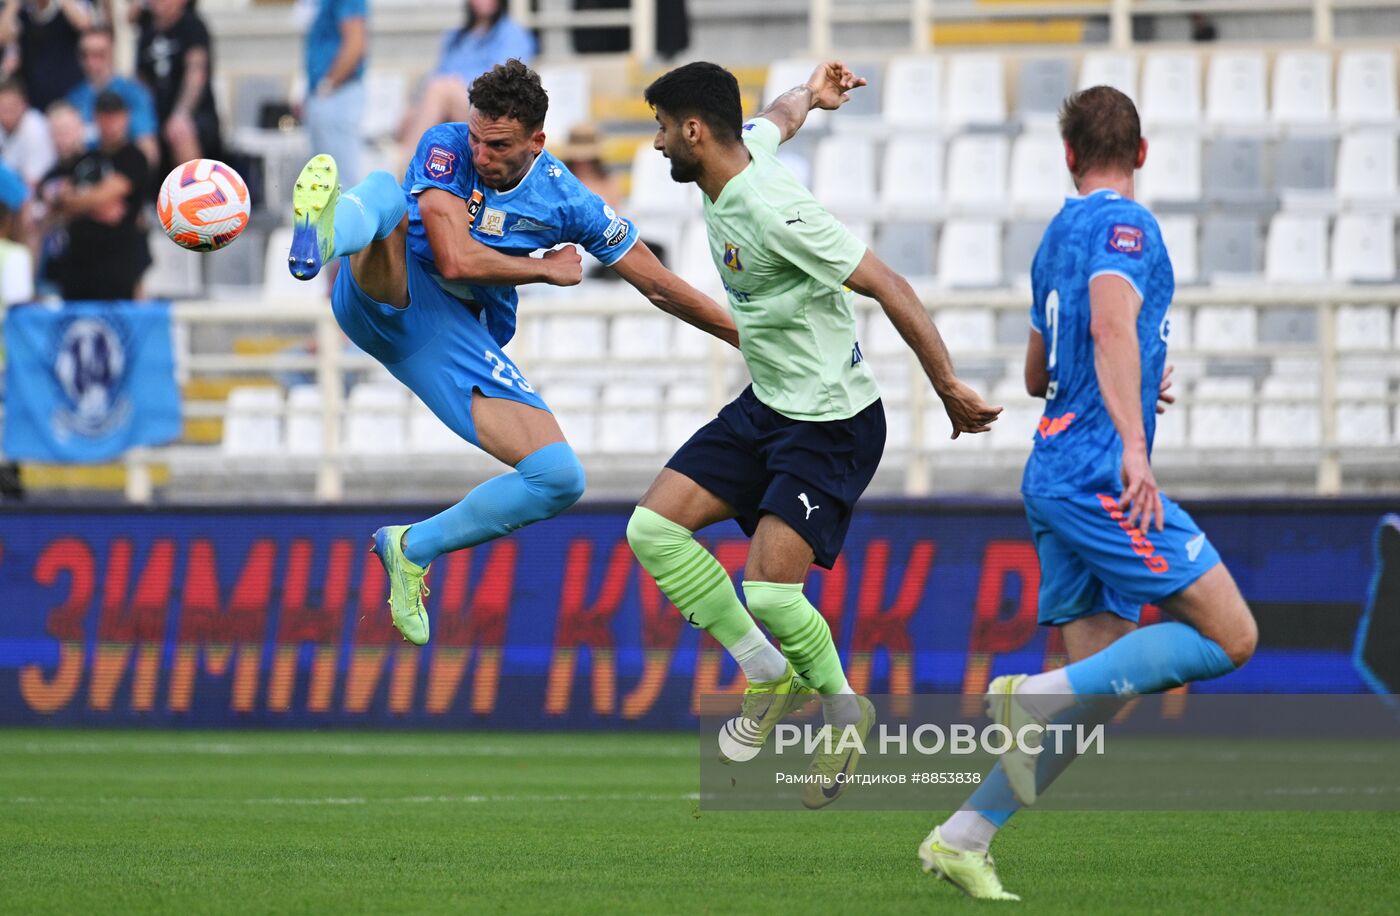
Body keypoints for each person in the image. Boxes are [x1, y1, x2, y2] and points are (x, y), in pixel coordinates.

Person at [628, 61, 1001, 808]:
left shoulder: (771, 210)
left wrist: (948, 386)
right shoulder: (743, 155)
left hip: (830, 420)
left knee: (768, 591)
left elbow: (887, 283)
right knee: (652, 530)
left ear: (695, 131)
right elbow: (780, 115)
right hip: (769, 402)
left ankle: (842, 711)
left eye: (664, 128)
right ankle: (766, 673)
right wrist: (814, 93)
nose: (659, 142)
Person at [917, 86, 1257, 900]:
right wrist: (1137, 443)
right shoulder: (1127, 227)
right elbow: (1108, 326)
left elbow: (1041, 375)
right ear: (1141, 153)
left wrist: (1137, 379)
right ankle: (1023, 693)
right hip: (1102, 474)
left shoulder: (1054, 237)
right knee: (1232, 636)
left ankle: (962, 836)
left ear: (1069, 156)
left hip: (1053, 472)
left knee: (1097, 693)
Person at [285, 59, 736, 648]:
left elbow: (655, 282)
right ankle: (321, 235)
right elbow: (452, 259)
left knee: (559, 478)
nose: (480, 153)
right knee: (383, 198)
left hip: (446, 338)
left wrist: (740, 335)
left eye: (496, 144)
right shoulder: (446, 147)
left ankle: (411, 547)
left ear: (536, 141)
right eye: (475, 135)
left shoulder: (568, 201)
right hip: (386, 287)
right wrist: (544, 268)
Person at [40, 89, 150, 300]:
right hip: (77, 265)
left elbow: (105, 194)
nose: (109, 123)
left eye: (114, 116)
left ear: (125, 117)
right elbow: (53, 194)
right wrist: (89, 204)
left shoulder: (133, 157)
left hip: (119, 265)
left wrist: (77, 201)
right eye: (104, 116)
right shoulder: (84, 158)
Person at [397, 0, 534, 168]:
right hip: (452, 102)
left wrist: (458, 84)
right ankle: (416, 168)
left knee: (440, 89)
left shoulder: (512, 33)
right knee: (412, 114)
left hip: (491, 108)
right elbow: (436, 73)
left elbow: (505, 81)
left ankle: (407, 168)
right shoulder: (456, 35)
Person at [133, 0, 221, 177]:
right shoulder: (147, 32)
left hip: (195, 114)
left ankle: (196, 196)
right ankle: (148, 199)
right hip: (156, 114)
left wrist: (182, 113)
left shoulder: (192, 25)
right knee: (140, 136)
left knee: (179, 132)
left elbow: (196, 73)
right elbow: (141, 82)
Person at [67, 25, 159, 165]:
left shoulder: (134, 93)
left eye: (99, 54)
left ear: (112, 53)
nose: (91, 62)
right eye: (85, 55)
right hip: (86, 171)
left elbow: (148, 149)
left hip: (124, 172)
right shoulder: (73, 97)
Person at [302, 0, 366, 188]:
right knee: (322, 184)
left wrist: (328, 84)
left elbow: (355, 43)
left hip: (338, 93)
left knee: (342, 181)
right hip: (325, 92)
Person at [0, 0, 93, 111]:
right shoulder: (22, 14)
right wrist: (13, 4)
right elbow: (2, 37)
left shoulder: (68, 8)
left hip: (69, 95)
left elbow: (85, 25)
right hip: (33, 98)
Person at [0, 78, 56, 187]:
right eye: (3, 107)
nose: (7, 112)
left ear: (24, 105)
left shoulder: (35, 128)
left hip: (43, 191)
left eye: (11, 106)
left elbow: (30, 186)